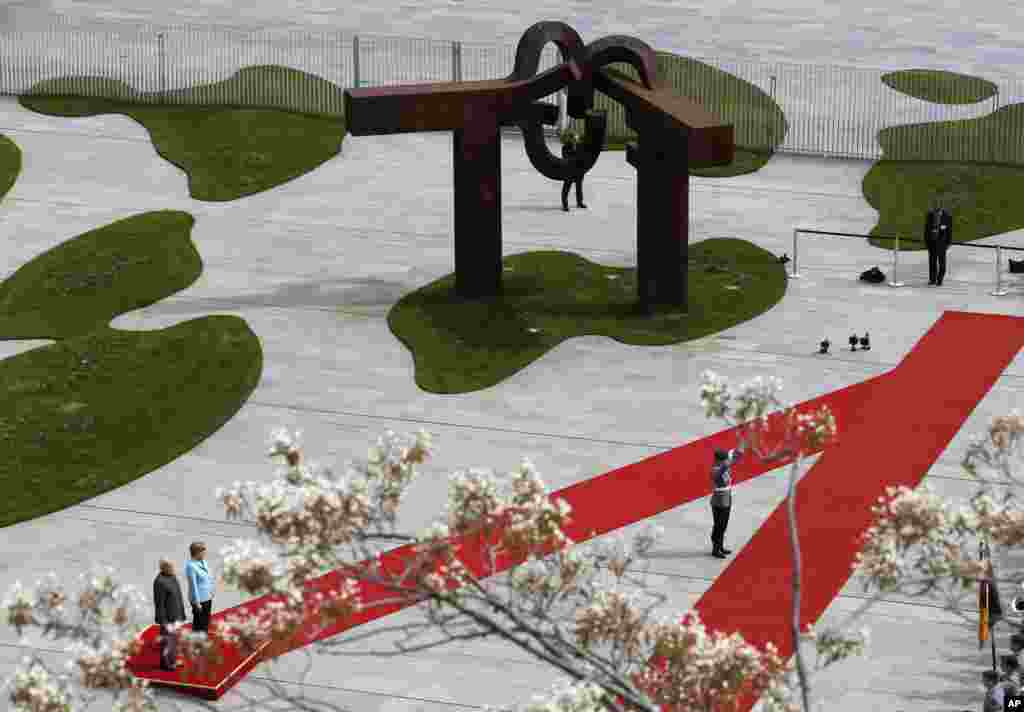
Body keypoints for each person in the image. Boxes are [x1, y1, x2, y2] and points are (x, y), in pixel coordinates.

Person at [710, 445, 744, 558]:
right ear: (720, 460)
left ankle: (720, 546)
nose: (726, 460)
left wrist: (740, 449)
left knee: (723, 525)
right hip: (719, 500)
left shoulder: (722, 465)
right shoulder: (716, 470)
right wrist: (731, 460)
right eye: (724, 459)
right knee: (719, 525)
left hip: (726, 498)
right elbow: (724, 467)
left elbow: (734, 457)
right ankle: (715, 548)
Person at [153, 559, 187, 671]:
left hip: (176, 616)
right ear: (163, 568)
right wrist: (163, 622)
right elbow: (159, 604)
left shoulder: (173, 577)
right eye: (170, 567)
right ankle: (166, 663)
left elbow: (178, 597)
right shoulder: (159, 582)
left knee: (175, 641)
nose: (173, 569)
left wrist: (182, 615)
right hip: (168, 618)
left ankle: (173, 660)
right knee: (168, 641)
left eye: (173, 566)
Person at [184, 541, 215, 635]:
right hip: (199, 599)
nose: (205, 554)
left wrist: (211, 590)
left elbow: (208, 576)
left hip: (207, 596)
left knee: (205, 621)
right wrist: (197, 603)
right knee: (199, 623)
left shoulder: (203, 561)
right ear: (197, 553)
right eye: (204, 552)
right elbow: (193, 585)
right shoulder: (191, 566)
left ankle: (202, 639)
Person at [923, 203, 953, 286]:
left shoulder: (947, 216)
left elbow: (949, 231)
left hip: (942, 243)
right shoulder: (930, 215)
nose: (936, 208)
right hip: (932, 243)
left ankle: (940, 280)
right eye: (935, 207)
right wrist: (926, 241)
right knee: (932, 262)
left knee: (942, 263)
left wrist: (948, 242)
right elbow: (926, 229)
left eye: (938, 207)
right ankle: (932, 279)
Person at [560, 129, 587, 212]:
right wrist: (575, 154)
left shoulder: (579, 146)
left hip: (578, 170)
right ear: (570, 139)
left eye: (576, 138)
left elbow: (583, 156)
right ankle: (565, 204)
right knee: (567, 187)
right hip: (569, 170)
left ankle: (579, 202)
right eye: (573, 138)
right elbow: (566, 158)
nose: (575, 140)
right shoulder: (565, 147)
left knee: (579, 187)